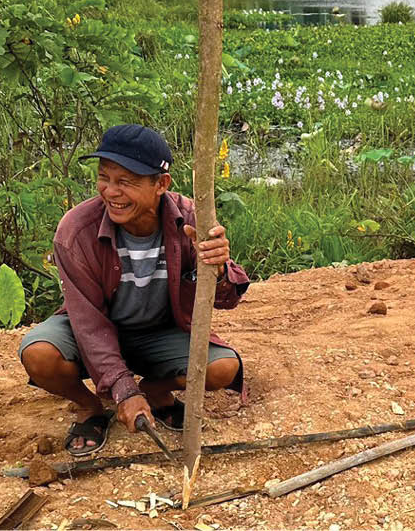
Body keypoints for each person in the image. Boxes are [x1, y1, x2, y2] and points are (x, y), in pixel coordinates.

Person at [19, 124, 250, 456]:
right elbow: (88, 324)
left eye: (126, 182)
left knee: (222, 368)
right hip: (94, 331)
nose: (111, 191)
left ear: (161, 184)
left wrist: (218, 268)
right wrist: (123, 391)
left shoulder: (189, 218)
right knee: (39, 354)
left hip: (159, 332)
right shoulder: (75, 231)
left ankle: (156, 392)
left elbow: (229, 298)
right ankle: (91, 408)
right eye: (105, 179)